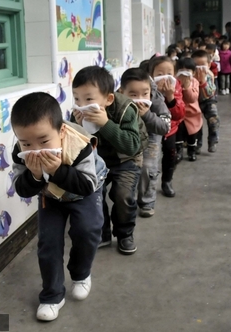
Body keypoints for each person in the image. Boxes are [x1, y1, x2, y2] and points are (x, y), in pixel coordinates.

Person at [11, 93, 106, 322]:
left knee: (88, 230)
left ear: (61, 132)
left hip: (84, 190)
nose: (36, 149)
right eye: (26, 143)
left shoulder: (79, 145)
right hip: (51, 197)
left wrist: (57, 171)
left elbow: (87, 185)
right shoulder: (20, 152)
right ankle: (52, 295)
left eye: (44, 141)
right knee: (48, 243)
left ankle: (81, 272)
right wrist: (34, 175)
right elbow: (22, 189)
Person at [71, 66, 143, 255]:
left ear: (108, 99)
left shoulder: (125, 109)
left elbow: (132, 145)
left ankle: (125, 233)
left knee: (123, 195)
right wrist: (79, 129)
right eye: (76, 98)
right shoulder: (77, 115)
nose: (81, 104)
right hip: (97, 161)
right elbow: (75, 149)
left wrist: (105, 124)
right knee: (94, 195)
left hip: (126, 159)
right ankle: (102, 232)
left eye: (89, 99)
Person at [121, 67, 171, 217]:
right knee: (128, 169)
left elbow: (165, 127)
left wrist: (147, 115)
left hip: (151, 137)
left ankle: (147, 201)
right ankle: (130, 199)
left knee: (148, 168)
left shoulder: (156, 100)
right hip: (129, 138)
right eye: (133, 94)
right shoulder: (117, 102)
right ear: (121, 92)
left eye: (144, 93)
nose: (140, 97)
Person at [149, 56, 186, 197]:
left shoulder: (176, 87)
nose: (165, 78)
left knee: (171, 155)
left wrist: (170, 97)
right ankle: (149, 188)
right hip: (152, 131)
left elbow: (179, 114)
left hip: (170, 129)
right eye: (159, 74)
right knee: (152, 159)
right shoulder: (146, 88)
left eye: (169, 73)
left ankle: (167, 181)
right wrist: (154, 94)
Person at [192, 49, 220, 153]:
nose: (199, 69)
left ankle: (213, 140)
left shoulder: (209, 75)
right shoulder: (190, 77)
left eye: (202, 65)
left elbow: (210, 92)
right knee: (196, 123)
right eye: (196, 65)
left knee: (213, 119)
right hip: (194, 101)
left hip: (208, 100)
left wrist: (203, 81)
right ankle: (197, 144)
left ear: (208, 65)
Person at [175, 58, 201, 162]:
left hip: (192, 113)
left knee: (192, 134)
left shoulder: (194, 82)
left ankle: (192, 151)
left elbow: (192, 98)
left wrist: (187, 86)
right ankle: (179, 151)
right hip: (178, 113)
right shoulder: (174, 81)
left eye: (188, 70)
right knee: (179, 133)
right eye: (182, 70)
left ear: (193, 72)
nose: (184, 73)